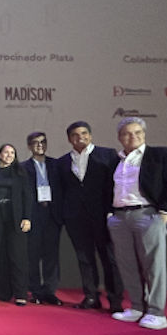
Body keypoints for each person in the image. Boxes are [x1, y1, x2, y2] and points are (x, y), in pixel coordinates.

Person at [108, 117, 167, 330]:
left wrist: (165, 213)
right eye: (127, 133)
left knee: (153, 266)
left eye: (137, 132)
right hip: (119, 218)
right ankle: (136, 307)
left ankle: (156, 312)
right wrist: (110, 215)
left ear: (144, 134)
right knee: (127, 265)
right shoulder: (115, 160)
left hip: (148, 215)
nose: (132, 136)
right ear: (120, 137)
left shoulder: (161, 155)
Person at [56, 121, 124, 312]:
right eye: (75, 135)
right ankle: (91, 297)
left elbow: (115, 185)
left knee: (109, 258)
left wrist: (111, 210)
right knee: (84, 258)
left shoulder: (108, 155)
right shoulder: (62, 162)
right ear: (69, 139)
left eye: (84, 133)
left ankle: (115, 300)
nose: (80, 138)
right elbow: (61, 191)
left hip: (103, 216)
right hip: (76, 218)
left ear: (90, 135)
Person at [20, 132, 64, 306]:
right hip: (33, 214)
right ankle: (35, 291)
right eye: (35, 142)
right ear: (29, 146)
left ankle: (50, 291)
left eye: (42, 142)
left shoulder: (56, 165)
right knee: (33, 255)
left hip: (52, 214)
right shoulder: (23, 167)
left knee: (51, 255)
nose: (39, 145)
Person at [0, 144, 33, 306]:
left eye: (12, 153)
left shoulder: (21, 173)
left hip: (16, 220)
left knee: (18, 257)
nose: (9, 155)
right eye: (6, 152)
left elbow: (28, 196)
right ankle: (3, 292)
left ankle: (21, 293)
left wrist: (27, 218)